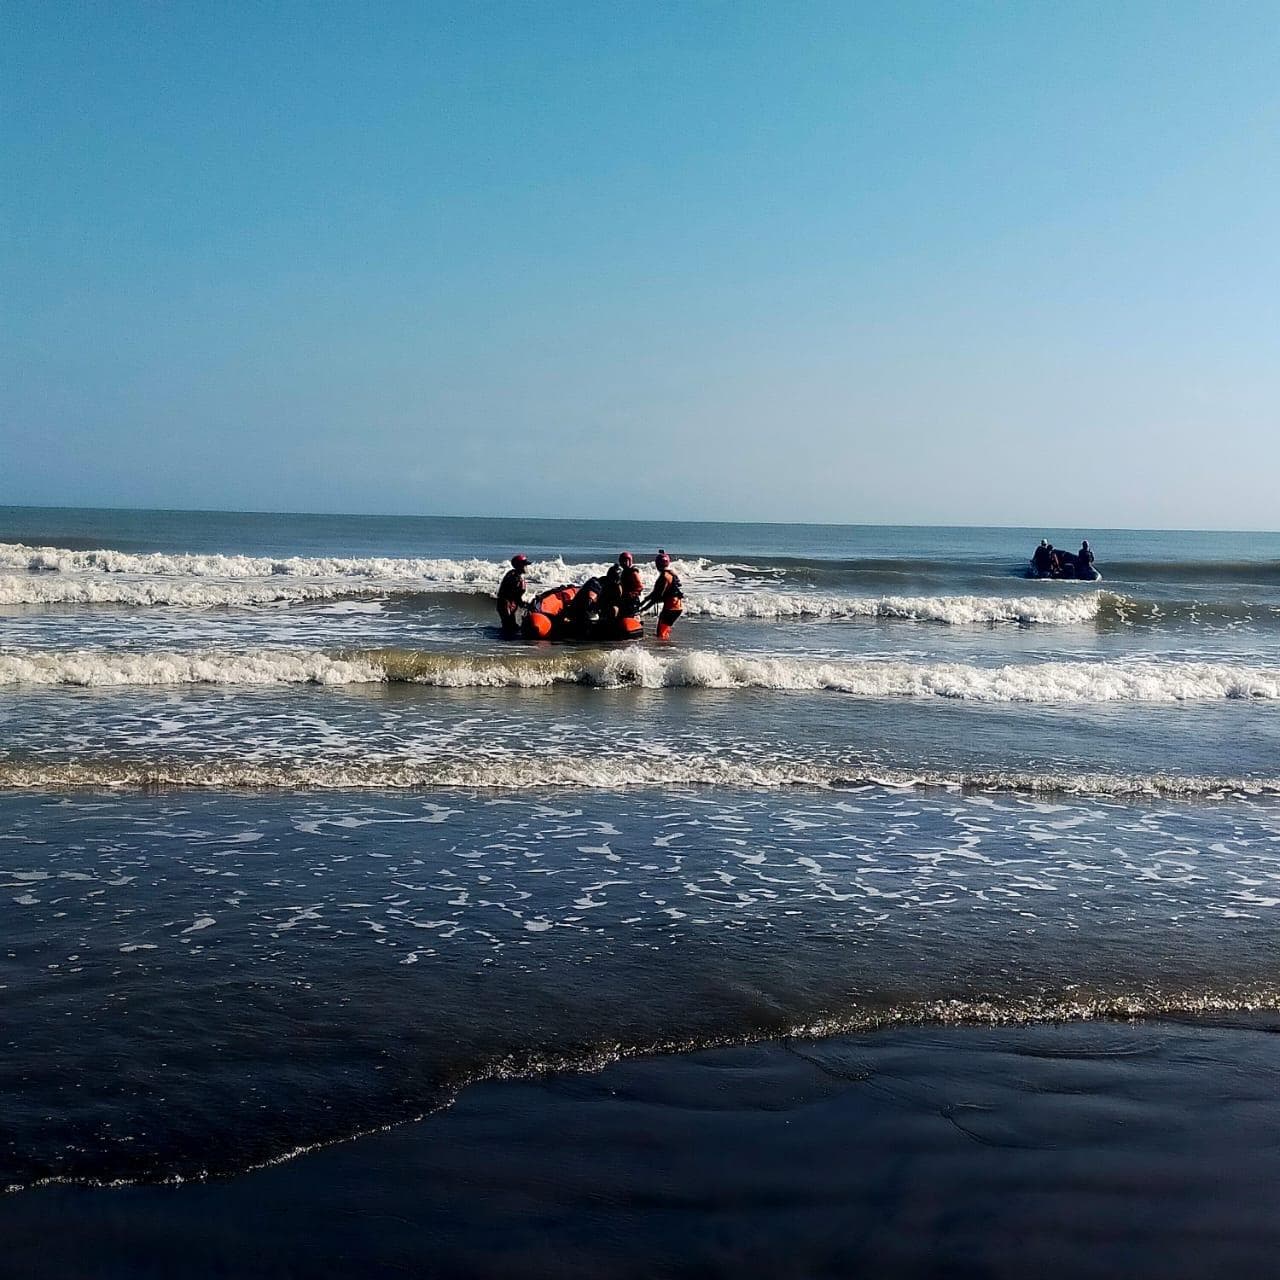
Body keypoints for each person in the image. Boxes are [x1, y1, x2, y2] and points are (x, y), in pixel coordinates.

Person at [639, 550, 684, 640]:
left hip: (671, 608)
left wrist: (643, 609)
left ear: (657, 564)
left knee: (660, 634)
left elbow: (657, 596)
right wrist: (644, 601)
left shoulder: (664, 577)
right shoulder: (671, 573)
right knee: (664, 630)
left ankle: (664, 650)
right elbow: (655, 594)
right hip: (677, 607)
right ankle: (666, 648)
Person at [496, 554, 529, 637]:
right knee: (509, 627)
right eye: (524, 565)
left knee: (512, 627)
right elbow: (514, 594)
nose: (526, 567)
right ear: (518, 566)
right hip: (506, 604)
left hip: (510, 603)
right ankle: (504, 645)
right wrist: (522, 603)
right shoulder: (514, 577)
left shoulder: (515, 575)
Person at [618, 551, 645, 616]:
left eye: (625, 561)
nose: (623, 562)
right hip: (624, 598)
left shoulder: (633, 572)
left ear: (630, 561)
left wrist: (631, 594)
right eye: (622, 561)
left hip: (632, 601)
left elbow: (640, 587)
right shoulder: (623, 572)